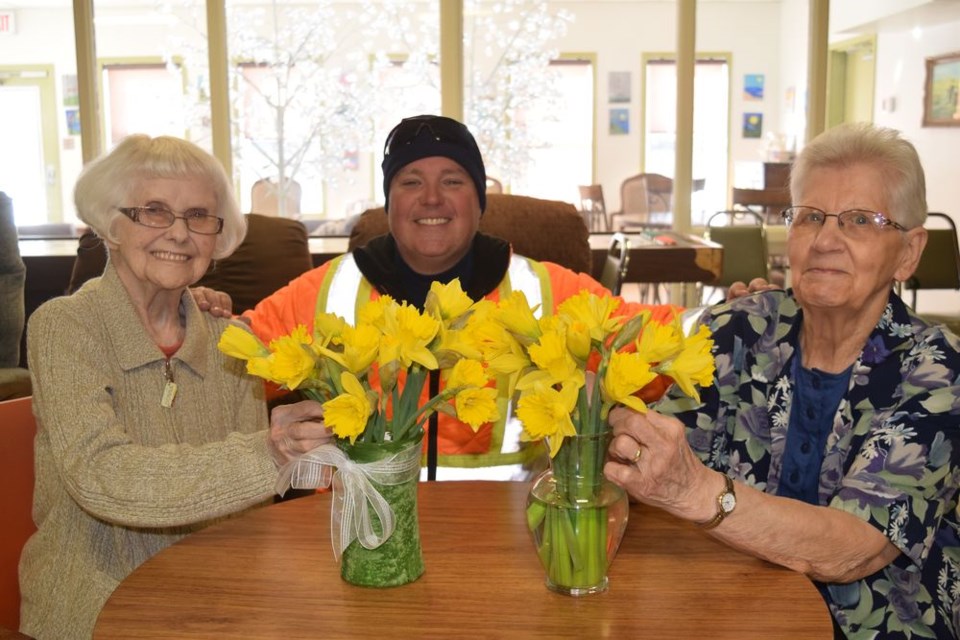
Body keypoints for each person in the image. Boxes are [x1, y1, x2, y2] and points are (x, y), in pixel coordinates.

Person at [605, 122, 960, 638]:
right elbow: (645, 471)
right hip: (726, 606)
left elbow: (855, 549)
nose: (825, 240)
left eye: (860, 220)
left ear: (908, 252)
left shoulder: (937, 369)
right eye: (809, 217)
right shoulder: (737, 327)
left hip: (876, 625)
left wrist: (700, 491)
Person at [196, 114, 681, 481]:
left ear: (478, 203)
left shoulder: (546, 291)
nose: (431, 198)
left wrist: (746, 311)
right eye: (410, 182)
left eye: (453, 180)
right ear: (390, 204)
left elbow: (658, 341)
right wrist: (188, 314)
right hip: (361, 540)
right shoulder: (326, 289)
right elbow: (229, 370)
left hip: (510, 540)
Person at [20, 135, 331, 640]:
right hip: (93, 600)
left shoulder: (234, 341)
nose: (180, 233)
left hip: (213, 597)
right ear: (109, 224)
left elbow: (246, 512)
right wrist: (267, 455)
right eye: (155, 211)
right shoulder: (65, 326)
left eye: (199, 216)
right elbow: (101, 476)